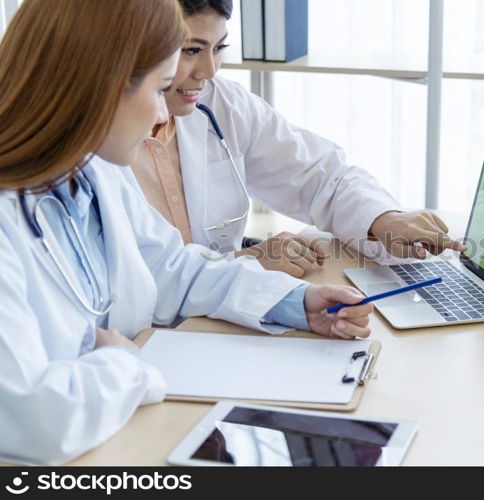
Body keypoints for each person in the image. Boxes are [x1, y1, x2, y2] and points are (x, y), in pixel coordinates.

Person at [0, 0, 372, 465]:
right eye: (160, 88)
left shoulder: (91, 171)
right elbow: (32, 420)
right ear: (103, 86)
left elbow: (172, 269)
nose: (164, 109)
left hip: (122, 436)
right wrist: (125, 364)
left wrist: (294, 302)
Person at [129, 0, 466, 278]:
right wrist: (245, 264)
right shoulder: (99, 144)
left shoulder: (223, 105)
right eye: (191, 50)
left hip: (227, 319)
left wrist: (382, 220)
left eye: (219, 48)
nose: (209, 71)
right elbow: (131, 282)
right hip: (139, 340)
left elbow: (324, 177)